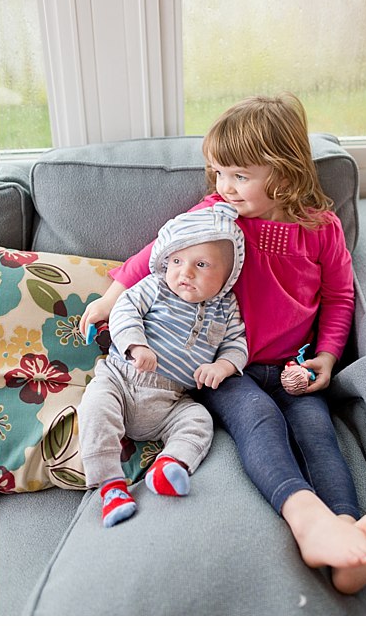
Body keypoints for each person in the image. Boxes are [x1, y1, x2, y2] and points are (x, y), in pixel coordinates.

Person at [79, 94, 366, 593]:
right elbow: (155, 252)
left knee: (317, 433)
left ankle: (346, 529)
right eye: (217, 173)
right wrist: (110, 298)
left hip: (293, 365)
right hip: (223, 367)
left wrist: (326, 355)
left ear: (283, 171)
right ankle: (307, 521)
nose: (223, 187)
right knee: (260, 422)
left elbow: (340, 295)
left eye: (238, 175)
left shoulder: (321, 230)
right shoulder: (216, 216)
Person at [79, 203, 248, 527]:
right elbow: (123, 310)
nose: (185, 273)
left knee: (199, 420)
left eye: (201, 264)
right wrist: (136, 345)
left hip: (173, 400)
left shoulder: (226, 308)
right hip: (121, 379)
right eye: (176, 261)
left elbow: (236, 344)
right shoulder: (155, 286)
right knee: (95, 407)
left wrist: (223, 367)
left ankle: (168, 466)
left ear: (228, 276)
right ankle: (110, 486)